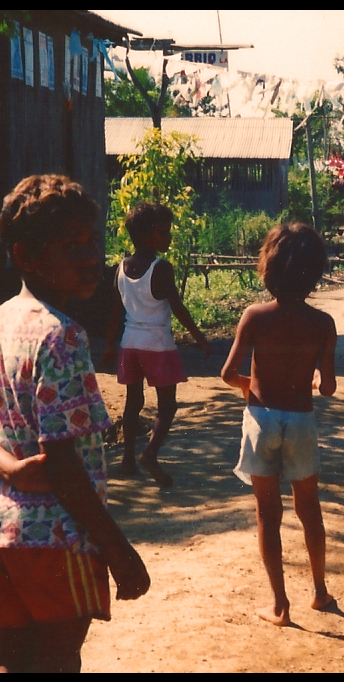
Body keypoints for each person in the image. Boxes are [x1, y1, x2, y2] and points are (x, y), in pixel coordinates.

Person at [0, 175, 149, 672]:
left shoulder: (3, 320)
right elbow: (64, 464)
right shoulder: (63, 338)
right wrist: (117, 548)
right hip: (58, 541)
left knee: (12, 664)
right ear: (27, 257)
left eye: (92, 244)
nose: (90, 258)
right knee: (58, 663)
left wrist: (11, 471)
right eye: (72, 247)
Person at [221, 223, 337, 627]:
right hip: (301, 420)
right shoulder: (323, 323)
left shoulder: (255, 316)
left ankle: (279, 604)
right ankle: (320, 591)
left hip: (260, 418)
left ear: (267, 268)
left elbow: (227, 372)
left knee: (267, 514)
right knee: (309, 508)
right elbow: (328, 387)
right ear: (316, 272)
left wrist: (249, 388)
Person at [103, 202, 211, 488]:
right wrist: (199, 338)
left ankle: (127, 460)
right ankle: (149, 454)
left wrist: (111, 345)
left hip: (130, 344)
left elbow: (115, 311)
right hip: (158, 345)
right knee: (167, 407)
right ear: (148, 235)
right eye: (164, 232)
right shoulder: (161, 268)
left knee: (132, 403)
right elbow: (178, 309)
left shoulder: (121, 268)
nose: (169, 237)